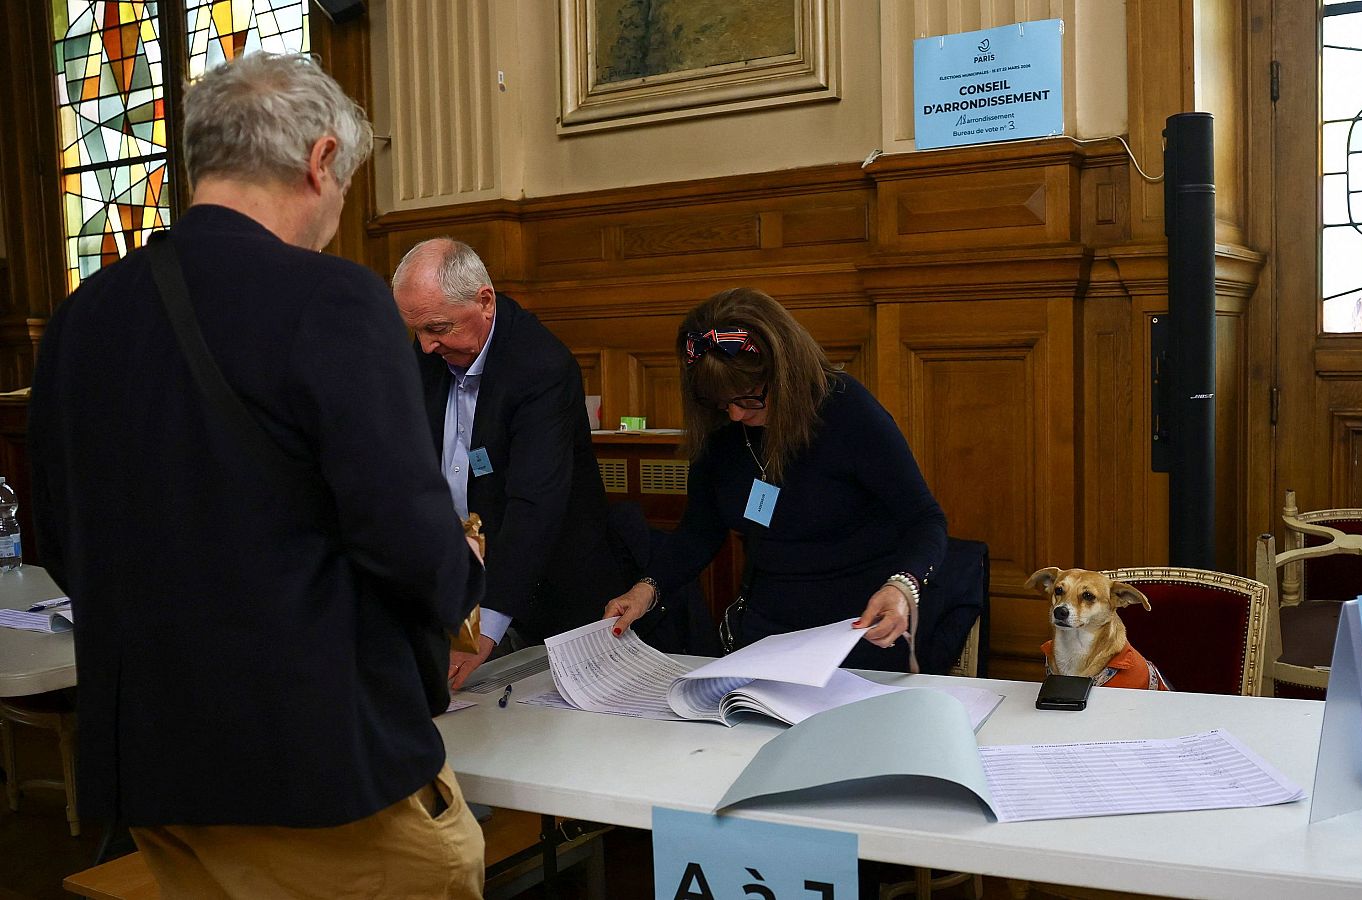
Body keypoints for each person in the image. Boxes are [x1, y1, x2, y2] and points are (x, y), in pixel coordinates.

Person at [28, 54, 485, 898]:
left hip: (157, 766)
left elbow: (54, 537)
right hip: (317, 768)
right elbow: (408, 544)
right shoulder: (333, 300)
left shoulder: (79, 320)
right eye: (344, 184)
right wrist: (468, 569)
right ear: (319, 162)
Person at [606, 287, 948, 672]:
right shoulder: (721, 427)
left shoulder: (846, 409)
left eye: (749, 398)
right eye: (722, 402)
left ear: (787, 374)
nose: (735, 414)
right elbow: (700, 530)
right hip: (767, 632)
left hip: (861, 628)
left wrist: (902, 586)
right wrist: (646, 589)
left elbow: (926, 520)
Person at [393, 238, 631, 687]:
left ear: (484, 301)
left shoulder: (540, 365)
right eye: (416, 331)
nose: (425, 346)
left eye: (438, 328)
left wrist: (484, 626)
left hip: (550, 590)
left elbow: (534, 504)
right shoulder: (431, 355)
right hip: (462, 580)